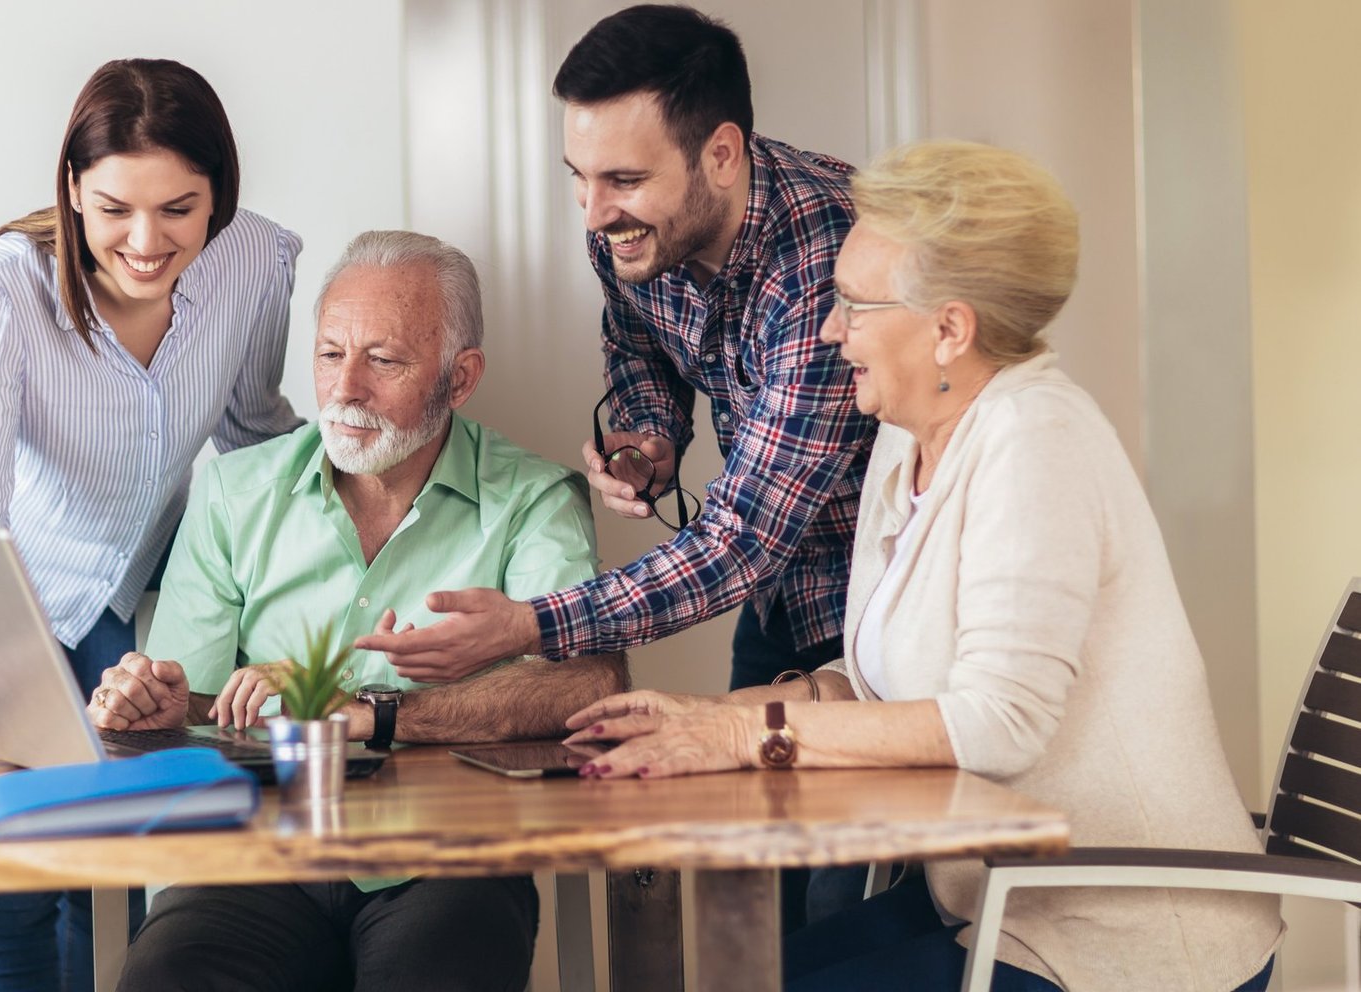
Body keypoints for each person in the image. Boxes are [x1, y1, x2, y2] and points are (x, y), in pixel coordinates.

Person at [561, 140, 1284, 991]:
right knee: (734, 976)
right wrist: (705, 717)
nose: (830, 330)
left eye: (853, 305)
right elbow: (879, 681)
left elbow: (997, 724)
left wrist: (736, 736)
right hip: (1004, 901)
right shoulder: (912, 437)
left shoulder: (1036, 441)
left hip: (1127, 933)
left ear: (950, 330)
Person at [0, 59, 305, 992]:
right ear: (71, 189)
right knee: (11, 862)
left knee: (105, 859)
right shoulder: (1, 293)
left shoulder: (257, 262)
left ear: (219, 197)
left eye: (179, 209)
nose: (145, 241)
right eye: (113, 208)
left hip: (113, 574)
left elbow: (253, 436)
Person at [91, 230, 629, 992]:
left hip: (452, 862)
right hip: (252, 861)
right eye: (329, 354)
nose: (345, 389)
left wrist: (377, 715)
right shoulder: (233, 493)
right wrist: (170, 708)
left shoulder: (534, 502)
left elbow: (588, 688)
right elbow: (202, 705)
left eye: (383, 360)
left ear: (460, 376)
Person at [357, 3, 872, 694]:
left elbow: (741, 539)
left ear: (720, 155)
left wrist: (530, 625)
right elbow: (638, 339)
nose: (594, 214)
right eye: (580, 174)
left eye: (625, 180)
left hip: (879, 595)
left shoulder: (824, 265)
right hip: (780, 597)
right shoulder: (623, 229)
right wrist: (649, 433)